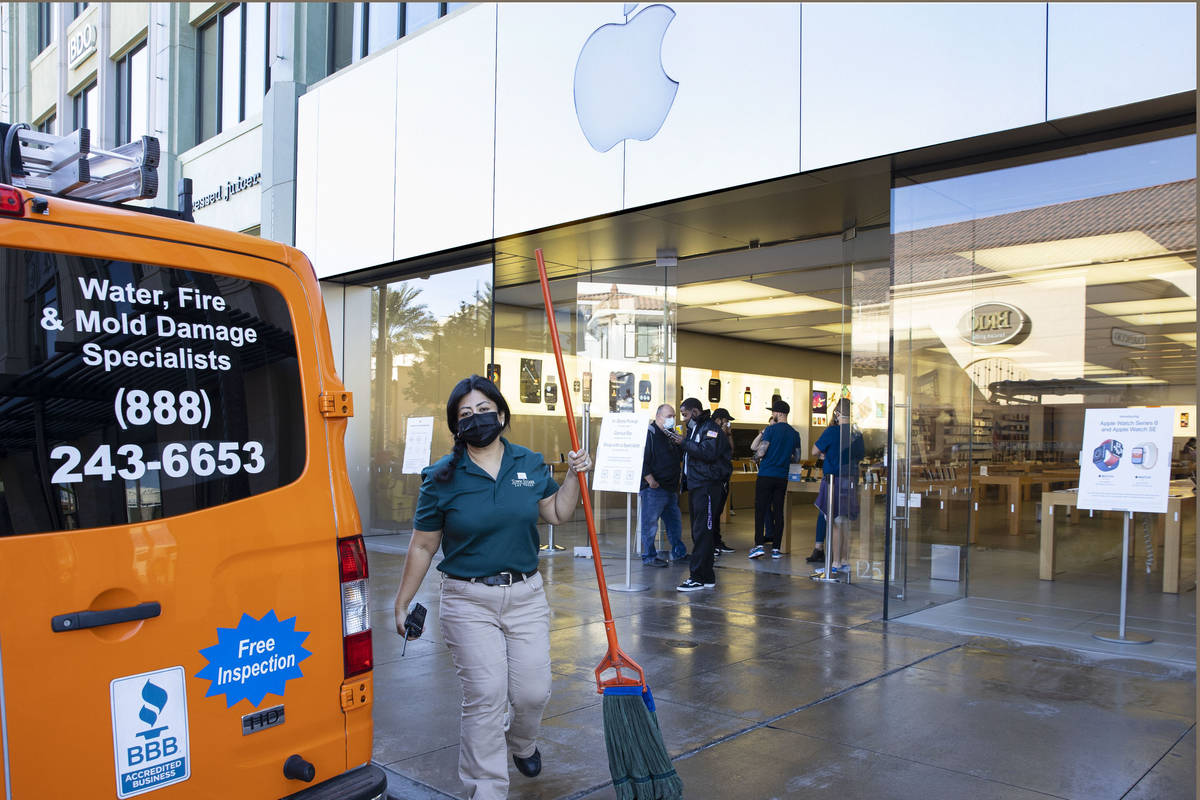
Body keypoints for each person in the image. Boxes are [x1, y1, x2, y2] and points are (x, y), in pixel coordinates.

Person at [391, 375, 592, 800]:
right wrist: (402, 602)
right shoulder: (441, 477)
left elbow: (556, 513)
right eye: (466, 414)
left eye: (484, 411)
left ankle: (521, 743)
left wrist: (574, 476)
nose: (476, 419)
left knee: (532, 692)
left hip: (526, 595)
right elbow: (424, 545)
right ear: (455, 426)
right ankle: (486, 789)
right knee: (485, 696)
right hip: (467, 600)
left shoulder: (529, 463)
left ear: (501, 414)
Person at [665, 398, 732, 592]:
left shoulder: (710, 429)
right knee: (700, 531)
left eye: (685, 414)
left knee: (703, 531)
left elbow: (707, 453)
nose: (683, 419)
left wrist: (683, 442)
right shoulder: (695, 429)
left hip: (708, 486)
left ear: (695, 411)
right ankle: (706, 575)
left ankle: (697, 576)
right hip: (697, 485)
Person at [811, 398, 864, 577]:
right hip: (851, 480)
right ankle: (844, 560)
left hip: (833, 480)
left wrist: (827, 453)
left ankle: (834, 563)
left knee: (834, 522)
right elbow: (860, 455)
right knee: (845, 522)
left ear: (837, 413)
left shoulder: (832, 431)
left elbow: (814, 451)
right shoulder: (857, 433)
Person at [748, 399, 801, 560]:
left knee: (761, 509)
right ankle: (776, 548)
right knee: (778, 511)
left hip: (766, 475)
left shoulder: (771, 430)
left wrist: (755, 457)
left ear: (779, 413)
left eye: (773, 412)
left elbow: (761, 451)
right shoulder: (794, 433)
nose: (772, 414)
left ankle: (758, 546)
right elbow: (797, 458)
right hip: (782, 477)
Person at [639, 403, 687, 567]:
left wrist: (681, 443)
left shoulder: (671, 435)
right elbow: (642, 459)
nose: (672, 420)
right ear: (658, 417)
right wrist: (650, 479)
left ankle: (679, 553)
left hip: (670, 487)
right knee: (650, 524)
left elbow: (679, 456)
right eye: (669, 416)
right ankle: (649, 557)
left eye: (673, 416)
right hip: (654, 488)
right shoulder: (650, 434)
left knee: (675, 523)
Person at [710, 407, 738, 556]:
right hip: (715, 478)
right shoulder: (712, 432)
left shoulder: (724, 434)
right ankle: (712, 544)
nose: (728, 424)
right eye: (726, 421)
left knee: (718, 511)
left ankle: (717, 542)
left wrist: (729, 434)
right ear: (719, 420)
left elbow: (731, 450)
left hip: (724, 477)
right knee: (713, 513)